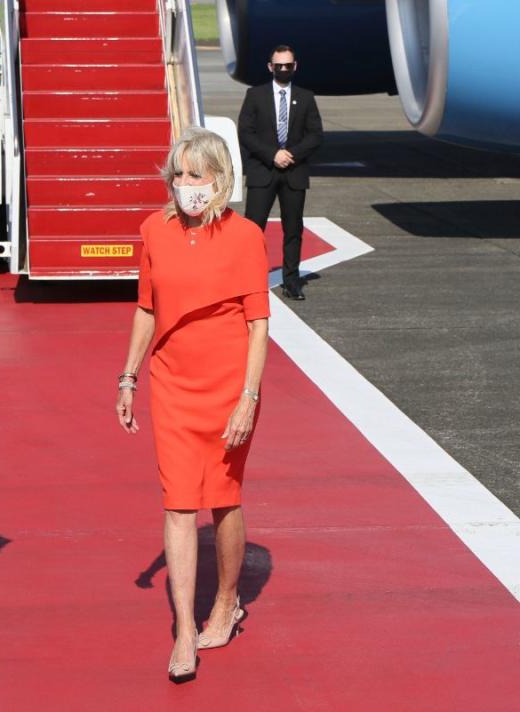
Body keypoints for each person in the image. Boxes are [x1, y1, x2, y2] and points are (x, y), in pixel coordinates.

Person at [116, 128, 270, 683]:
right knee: (179, 504)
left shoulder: (247, 235)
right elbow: (146, 309)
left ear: (220, 180)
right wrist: (128, 376)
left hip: (230, 386)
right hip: (172, 384)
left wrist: (248, 398)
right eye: (178, 175)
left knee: (224, 500)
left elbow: (258, 326)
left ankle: (227, 601)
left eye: (196, 176)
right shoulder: (153, 230)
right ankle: (184, 629)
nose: (185, 186)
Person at [238, 44, 323, 300]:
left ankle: (291, 280)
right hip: (263, 171)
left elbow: (316, 135)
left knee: (293, 228)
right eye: (279, 66)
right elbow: (246, 132)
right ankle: (247, 282)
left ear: (295, 66)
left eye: (288, 65)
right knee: (253, 230)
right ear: (270, 67)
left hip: (293, 172)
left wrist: (291, 154)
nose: (283, 69)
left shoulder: (306, 97)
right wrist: (272, 154)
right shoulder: (255, 95)